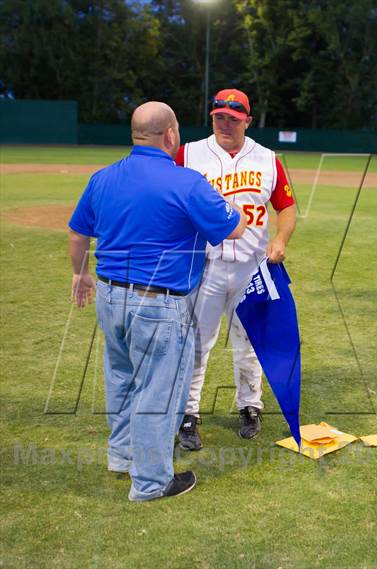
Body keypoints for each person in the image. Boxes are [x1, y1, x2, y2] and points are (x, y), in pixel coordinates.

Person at [68, 101, 246, 501]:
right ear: (170, 134)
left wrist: (80, 274)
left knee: (121, 379)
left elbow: (79, 234)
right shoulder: (185, 182)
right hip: (158, 303)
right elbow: (234, 227)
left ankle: (122, 456)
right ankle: (150, 482)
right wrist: (231, 205)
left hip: (110, 296)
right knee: (159, 392)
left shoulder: (103, 177)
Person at [176, 88, 296, 450]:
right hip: (204, 266)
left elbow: (286, 207)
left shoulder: (267, 158)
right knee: (196, 344)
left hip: (252, 267)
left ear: (247, 119)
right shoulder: (189, 153)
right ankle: (188, 413)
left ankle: (250, 406)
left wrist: (282, 239)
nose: (225, 124)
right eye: (219, 117)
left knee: (249, 344)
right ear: (211, 117)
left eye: (233, 118)